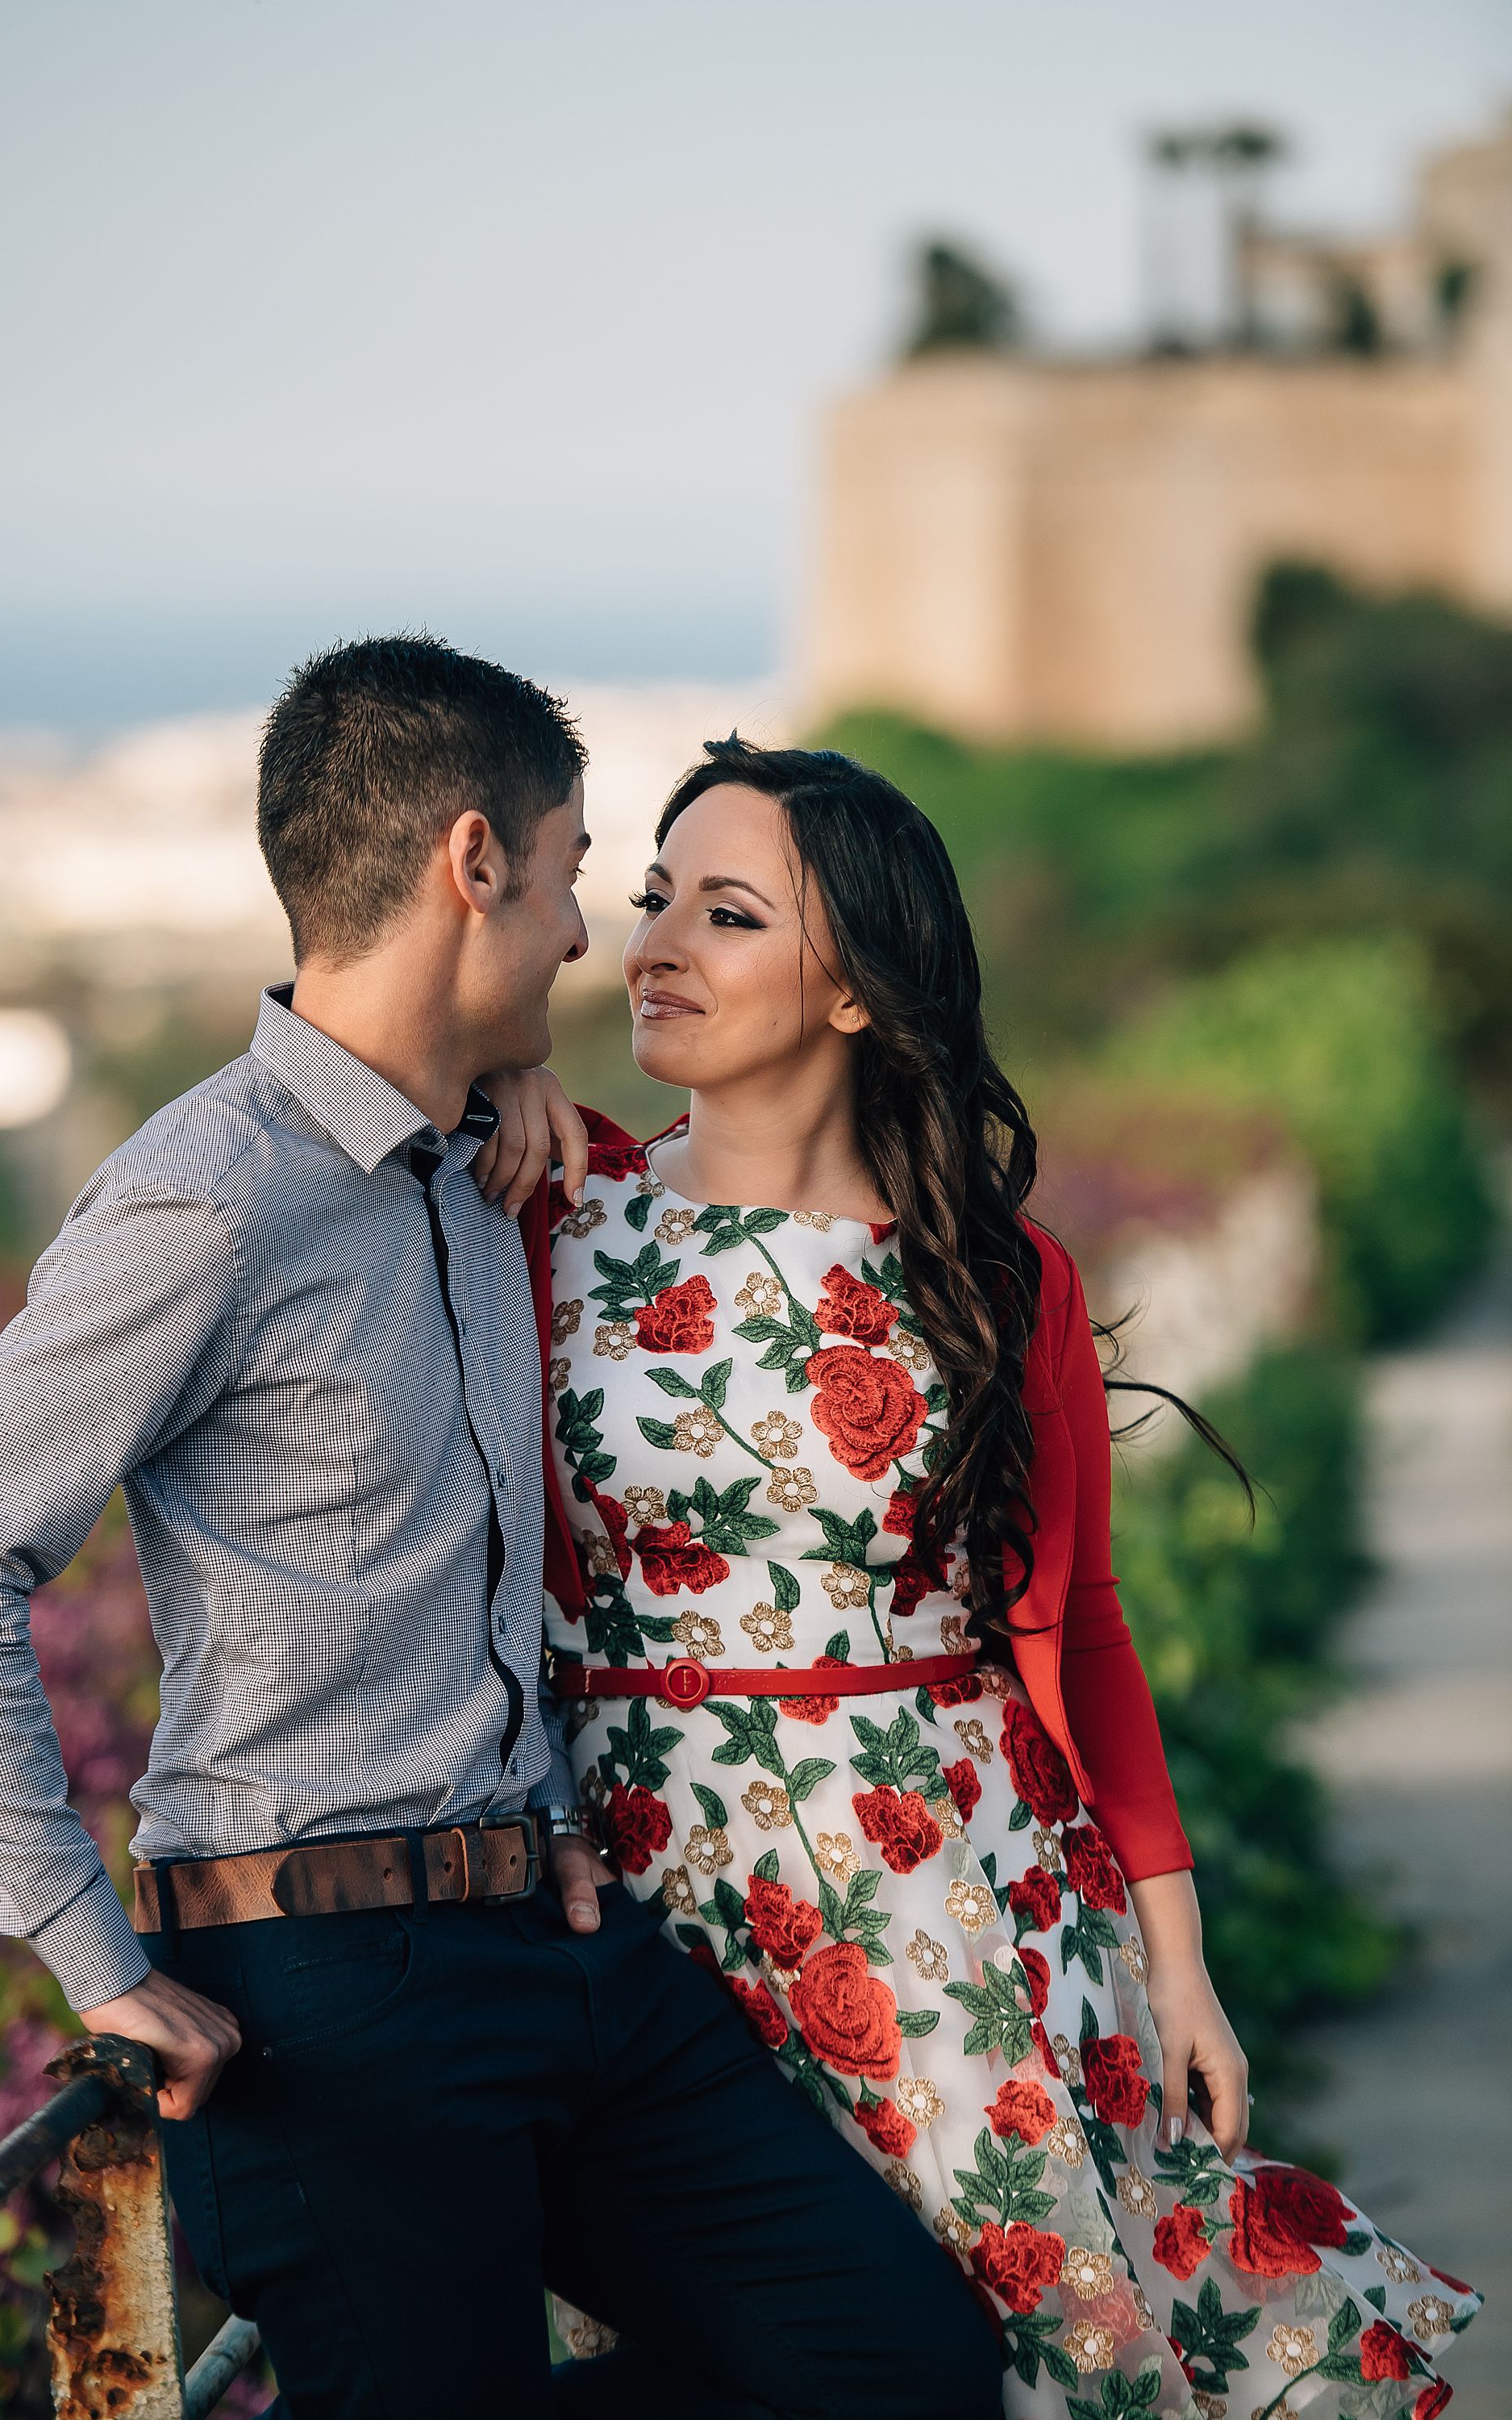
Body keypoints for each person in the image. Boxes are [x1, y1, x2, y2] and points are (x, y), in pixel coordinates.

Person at [0, 651, 1002, 2420]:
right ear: (472, 863)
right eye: (574, 873)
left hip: (560, 1938)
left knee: (901, 2366)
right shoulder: (209, 1196)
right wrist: (89, 1956)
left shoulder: (481, 1160)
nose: (587, 937)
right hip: (327, 1993)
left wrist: (521, 1109)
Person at [533, 737, 1480, 2419]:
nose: (658, 944)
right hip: (646, 1901)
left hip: (941, 1896)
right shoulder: (552, 1211)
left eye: (729, 914)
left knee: (1016, 2326)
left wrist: (1179, 1965)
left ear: (854, 991)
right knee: (732, 2355)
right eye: (652, 897)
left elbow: (1087, 1629)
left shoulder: (987, 1269)